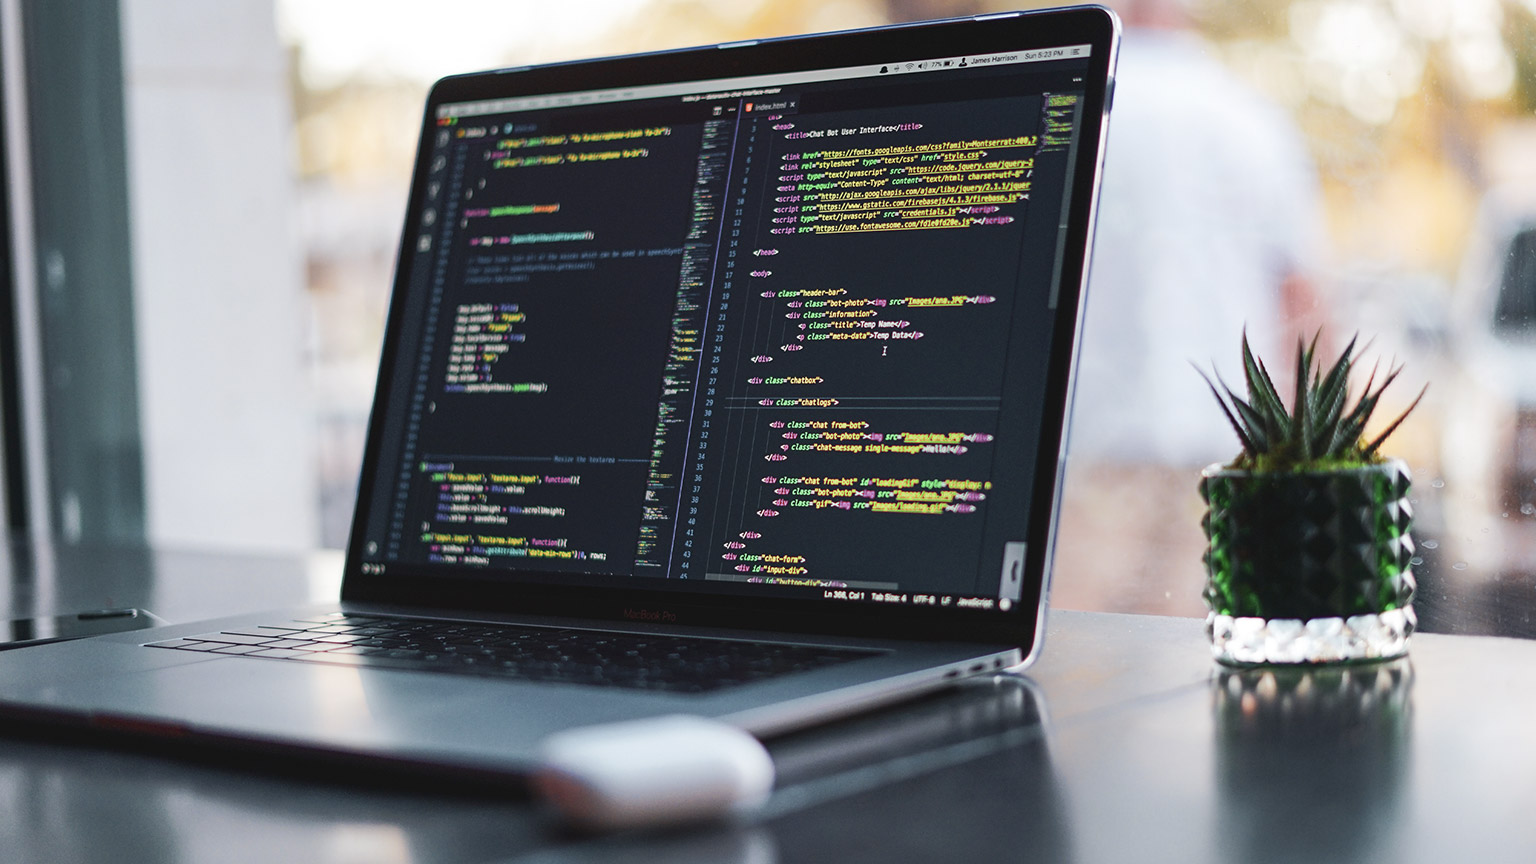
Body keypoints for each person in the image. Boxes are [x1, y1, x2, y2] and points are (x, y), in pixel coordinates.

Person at [1052, 0, 1328, 616]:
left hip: (1088, 452)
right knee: (1197, 673)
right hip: (1224, 456)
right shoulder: (1253, 120)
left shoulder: (1072, 105)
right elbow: (1303, 304)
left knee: (1076, 676)